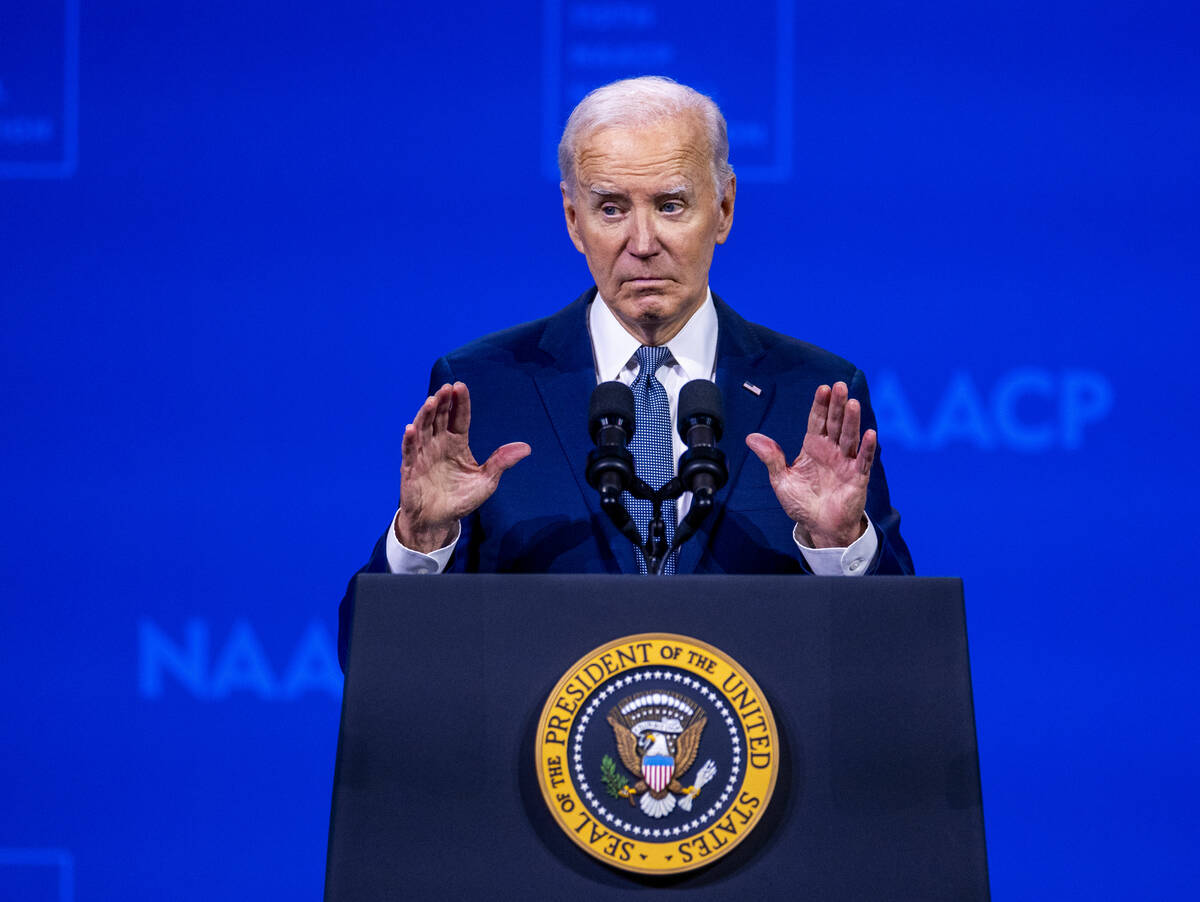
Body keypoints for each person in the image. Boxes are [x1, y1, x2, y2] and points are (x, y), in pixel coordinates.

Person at [339, 76, 912, 667]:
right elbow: (368, 662)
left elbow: (901, 655)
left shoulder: (813, 394)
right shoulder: (484, 386)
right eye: (611, 208)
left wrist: (839, 545)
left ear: (724, 208)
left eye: (670, 205)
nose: (643, 242)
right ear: (571, 218)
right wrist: (423, 539)